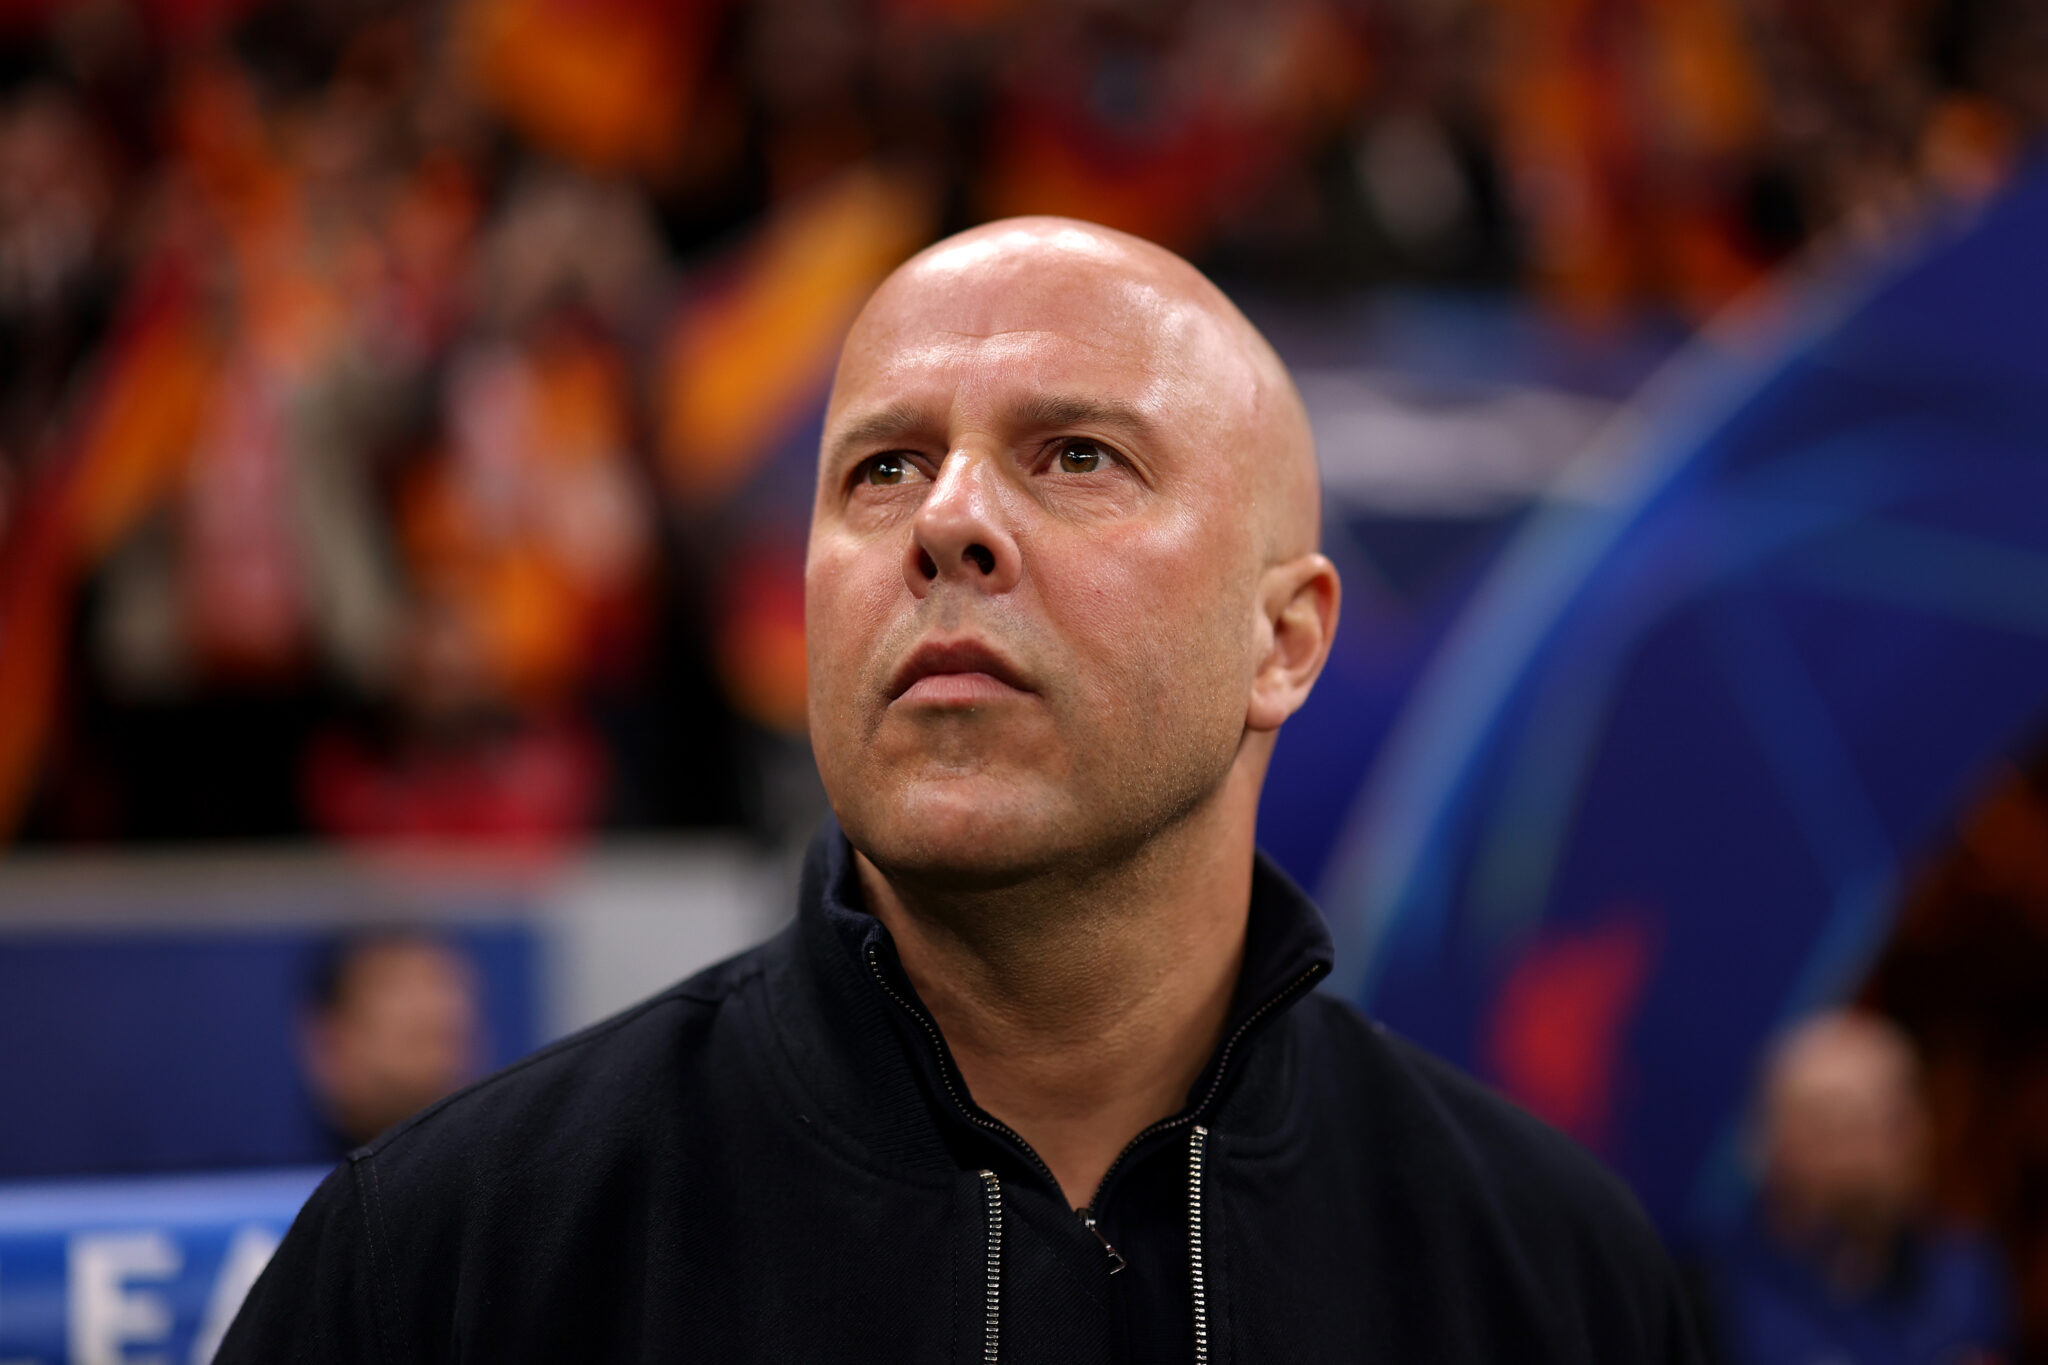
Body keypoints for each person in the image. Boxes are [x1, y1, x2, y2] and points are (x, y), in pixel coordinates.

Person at [220, 218, 1701, 1362]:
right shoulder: (448, 1265)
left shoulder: (1557, 1284)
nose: (949, 523)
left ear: (1285, 637)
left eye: (1074, 456)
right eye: (880, 470)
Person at [1703, 1010, 2011, 1365]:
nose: (1879, 1148)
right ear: (1777, 1146)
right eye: (1844, 1122)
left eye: (1897, 1117)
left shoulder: (1966, 1276)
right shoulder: (1714, 1293)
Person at [299, 930, 485, 1157]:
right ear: (331, 1042)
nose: (438, 1006)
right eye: (397, 987)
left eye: (444, 983)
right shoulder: (274, 1183)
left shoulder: (509, 1175)